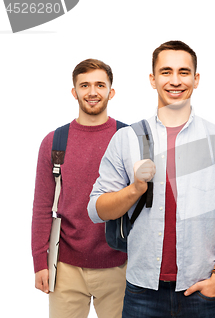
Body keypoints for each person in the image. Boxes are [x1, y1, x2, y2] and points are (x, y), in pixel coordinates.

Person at [87, 40, 215, 318]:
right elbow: (97, 210)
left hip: (202, 290)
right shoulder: (127, 139)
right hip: (141, 292)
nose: (175, 80)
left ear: (196, 80)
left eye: (184, 72)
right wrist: (135, 189)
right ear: (152, 79)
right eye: (166, 72)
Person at [31, 59, 127, 318]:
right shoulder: (55, 141)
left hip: (120, 263)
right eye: (84, 85)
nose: (92, 92)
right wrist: (40, 262)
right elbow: (42, 206)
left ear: (111, 91)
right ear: (74, 92)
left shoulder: (129, 138)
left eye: (100, 85)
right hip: (65, 267)